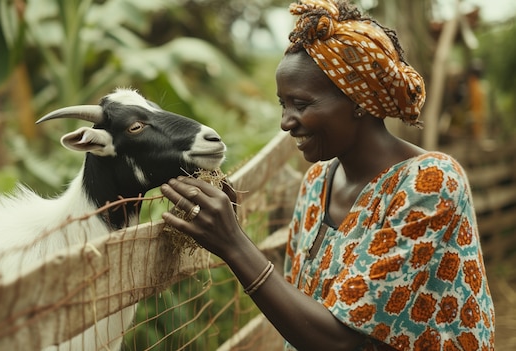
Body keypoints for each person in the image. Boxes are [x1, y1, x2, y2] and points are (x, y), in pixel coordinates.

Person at [160, 0, 496, 350]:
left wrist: (233, 243)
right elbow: (304, 309)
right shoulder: (318, 181)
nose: (286, 122)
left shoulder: (430, 182)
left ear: (358, 102)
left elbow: (341, 341)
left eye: (301, 104)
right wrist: (232, 228)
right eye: (283, 104)